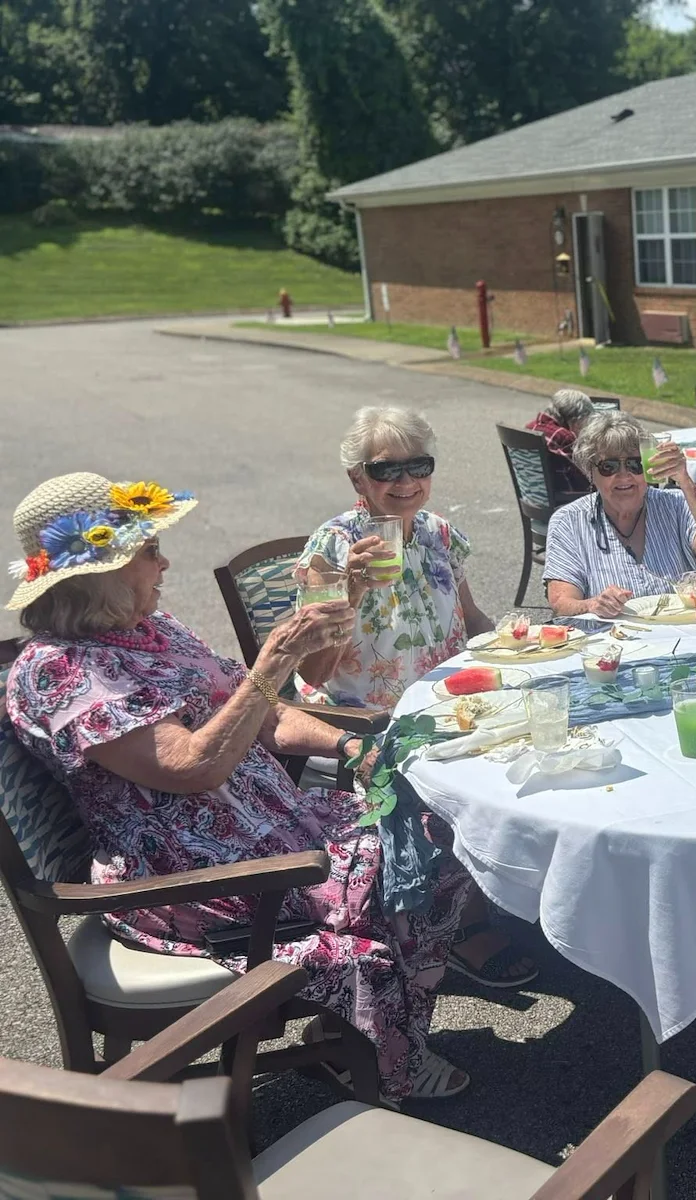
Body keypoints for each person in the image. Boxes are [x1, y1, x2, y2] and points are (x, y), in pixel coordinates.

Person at [4, 472, 474, 1102]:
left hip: (275, 829)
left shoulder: (154, 630)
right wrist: (273, 662)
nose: (164, 562)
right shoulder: (61, 671)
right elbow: (192, 766)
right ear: (97, 576)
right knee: (409, 875)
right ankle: (383, 1055)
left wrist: (348, 744)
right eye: (148, 552)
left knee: (438, 833)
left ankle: (364, 1036)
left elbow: (264, 714)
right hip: (192, 875)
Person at [298, 406, 535, 989]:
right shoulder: (331, 547)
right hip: (369, 715)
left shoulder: (438, 533)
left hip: (451, 701)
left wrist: (515, 647)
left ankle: (502, 888)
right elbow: (312, 666)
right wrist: (349, 590)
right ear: (358, 478)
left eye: (418, 466)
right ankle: (457, 922)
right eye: (387, 470)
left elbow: (471, 615)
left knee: (551, 728)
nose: (405, 482)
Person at [544, 411, 696, 618]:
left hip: (684, 632)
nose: (624, 475)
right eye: (609, 466)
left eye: (635, 464)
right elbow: (561, 602)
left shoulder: (677, 504)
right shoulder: (569, 521)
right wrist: (593, 604)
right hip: (615, 642)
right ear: (590, 471)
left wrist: (685, 481)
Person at [527, 388, 595, 494]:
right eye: (586, 422)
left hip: (533, 496)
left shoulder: (530, 428)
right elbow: (586, 482)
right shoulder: (563, 438)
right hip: (565, 503)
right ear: (576, 421)